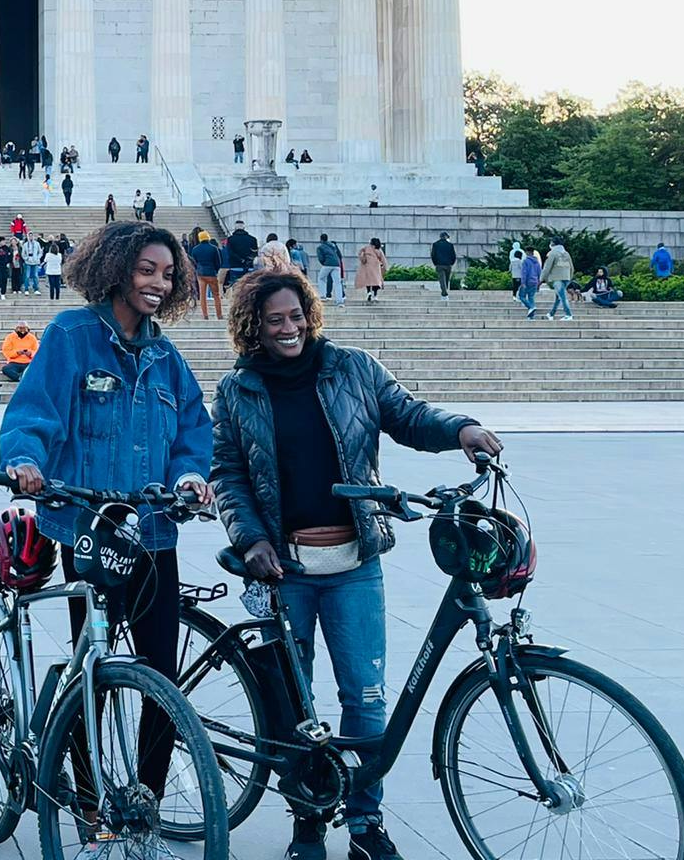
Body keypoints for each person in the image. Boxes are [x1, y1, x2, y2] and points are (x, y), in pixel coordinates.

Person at [210, 268, 503, 860]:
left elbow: (409, 416)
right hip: (282, 569)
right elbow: (228, 472)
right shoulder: (237, 390)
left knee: (365, 697)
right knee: (296, 707)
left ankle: (365, 825)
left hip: (354, 562)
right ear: (254, 328)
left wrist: (462, 428)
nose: (288, 328)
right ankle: (308, 822)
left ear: (309, 315)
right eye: (274, 321)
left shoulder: (354, 368)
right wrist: (249, 540)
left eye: (295, 316)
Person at [0, 221, 216, 807]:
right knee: (88, 668)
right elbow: (35, 410)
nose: (159, 283)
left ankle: (144, 795)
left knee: (161, 677)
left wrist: (193, 477)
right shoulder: (70, 336)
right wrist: (24, 460)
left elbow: (195, 430)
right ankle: (91, 798)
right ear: (117, 269)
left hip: (153, 532)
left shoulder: (165, 355)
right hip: (88, 529)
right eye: (147, 270)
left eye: (169, 274)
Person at [190, 232, 224, 320]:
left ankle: (205, 315)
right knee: (216, 295)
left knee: (202, 295)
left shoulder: (195, 249)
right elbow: (218, 262)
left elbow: (193, 262)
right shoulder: (214, 248)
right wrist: (216, 270)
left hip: (200, 274)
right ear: (208, 237)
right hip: (211, 273)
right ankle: (219, 315)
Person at [540, 238, 575, 321]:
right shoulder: (566, 254)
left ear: (553, 243)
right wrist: (569, 277)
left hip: (557, 278)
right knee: (559, 297)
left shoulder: (552, 253)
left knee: (562, 297)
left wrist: (541, 279)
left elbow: (547, 268)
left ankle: (568, 314)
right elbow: (571, 267)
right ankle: (551, 313)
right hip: (566, 278)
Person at [312, 233, 345, 305]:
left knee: (321, 278)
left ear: (321, 239)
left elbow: (321, 258)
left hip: (328, 263)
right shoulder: (333, 246)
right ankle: (340, 301)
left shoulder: (320, 247)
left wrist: (324, 263)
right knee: (337, 283)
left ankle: (323, 295)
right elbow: (339, 255)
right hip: (337, 264)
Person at [224, 221, 258, 288]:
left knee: (236, 287)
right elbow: (255, 253)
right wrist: (247, 260)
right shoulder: (252, 239)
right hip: (249, 267)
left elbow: (230, 253)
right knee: (249, 287)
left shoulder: (231, 239)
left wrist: (240, 260)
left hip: (235, 266)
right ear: (244, 227)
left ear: (235, 228)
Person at [355, 237, 386, 303]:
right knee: (376, 281)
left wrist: (363, 259)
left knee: (368, 280)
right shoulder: (378, 249)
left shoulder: (366, 248)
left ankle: (369, 292)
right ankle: (375, 295)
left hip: (367, 266)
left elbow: (360, 253)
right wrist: (384, 266)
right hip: (376, 266)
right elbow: (382, 258)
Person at [431, 231, 458, 299]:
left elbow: (433, 255)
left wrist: (435, 263)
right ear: (446, 237)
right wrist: (451, 263)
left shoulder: (435, 244)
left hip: (439, 264)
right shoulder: (450, 245)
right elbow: (453, 256)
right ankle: (444, 293)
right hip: (448, 265)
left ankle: (444, 292)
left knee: (442, 279)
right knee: (446, 279)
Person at [519, 248, 542, 318]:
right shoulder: (537, 262)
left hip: (527, 281)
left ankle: (531, 307)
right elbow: (539, 273)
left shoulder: (525, 261)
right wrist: (538, 282)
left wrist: (523, 282)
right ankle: (531, 315)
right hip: (535, 281)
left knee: (521, 296)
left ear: (527, 252)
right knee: (531, 297)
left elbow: (524, 272)